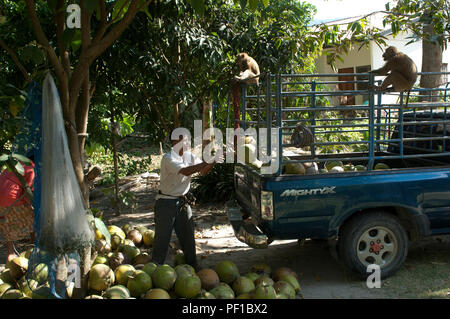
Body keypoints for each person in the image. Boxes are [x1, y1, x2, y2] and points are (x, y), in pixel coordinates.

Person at [152, 132, 222, 269]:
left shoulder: (189, 156)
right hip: (166, 203)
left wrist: (214, 160)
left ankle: (193, 267)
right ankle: (155, 268)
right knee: (162, 239)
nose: (187, 144)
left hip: (182, 203)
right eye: (183, 141)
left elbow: (203, 171)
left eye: (188, 141)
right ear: (174, 143)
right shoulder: (168, 158)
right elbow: (186, 171)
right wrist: (207, 162)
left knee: (188, 237)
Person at [0, 158, 35, 263]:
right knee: (36, 217)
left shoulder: (14, 165)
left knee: (6, 224)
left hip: (1, 203)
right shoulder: (31, 169)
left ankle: (10, 253)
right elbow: (30, 194)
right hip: (11, 201)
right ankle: (34, 247)